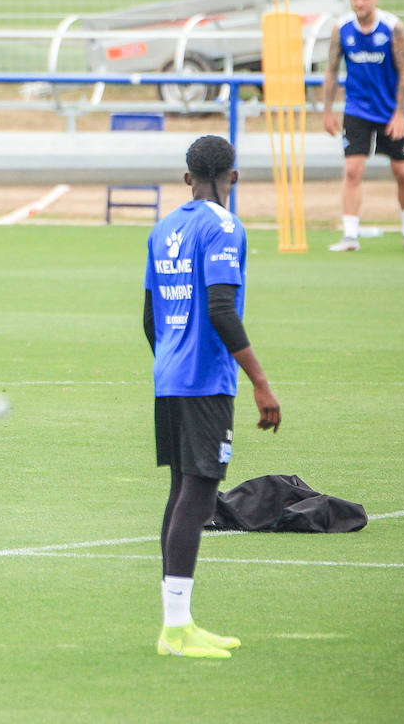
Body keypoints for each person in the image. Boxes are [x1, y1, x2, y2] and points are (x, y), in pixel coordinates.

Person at [144, 135, 282, 658]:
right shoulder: (224, 227)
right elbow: (222, 308)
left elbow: (149, 317)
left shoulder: (163, 229)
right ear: (234, 176)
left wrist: (169, 360)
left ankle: (176, 623)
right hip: (205, 380)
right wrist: (261, 383)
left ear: (187, 178)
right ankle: (176, 629)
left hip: (169, 376)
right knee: (198, 496)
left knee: (182, 493)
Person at [321, 0, 404, 253]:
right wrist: (328, 111)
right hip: (356, 109)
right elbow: (331, 71)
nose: (359, 3)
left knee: (401, 171)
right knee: (352, 170)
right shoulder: (341, 28)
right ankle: (350, 235)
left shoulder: (393, 28)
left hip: (390, 110)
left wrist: (400, 114)